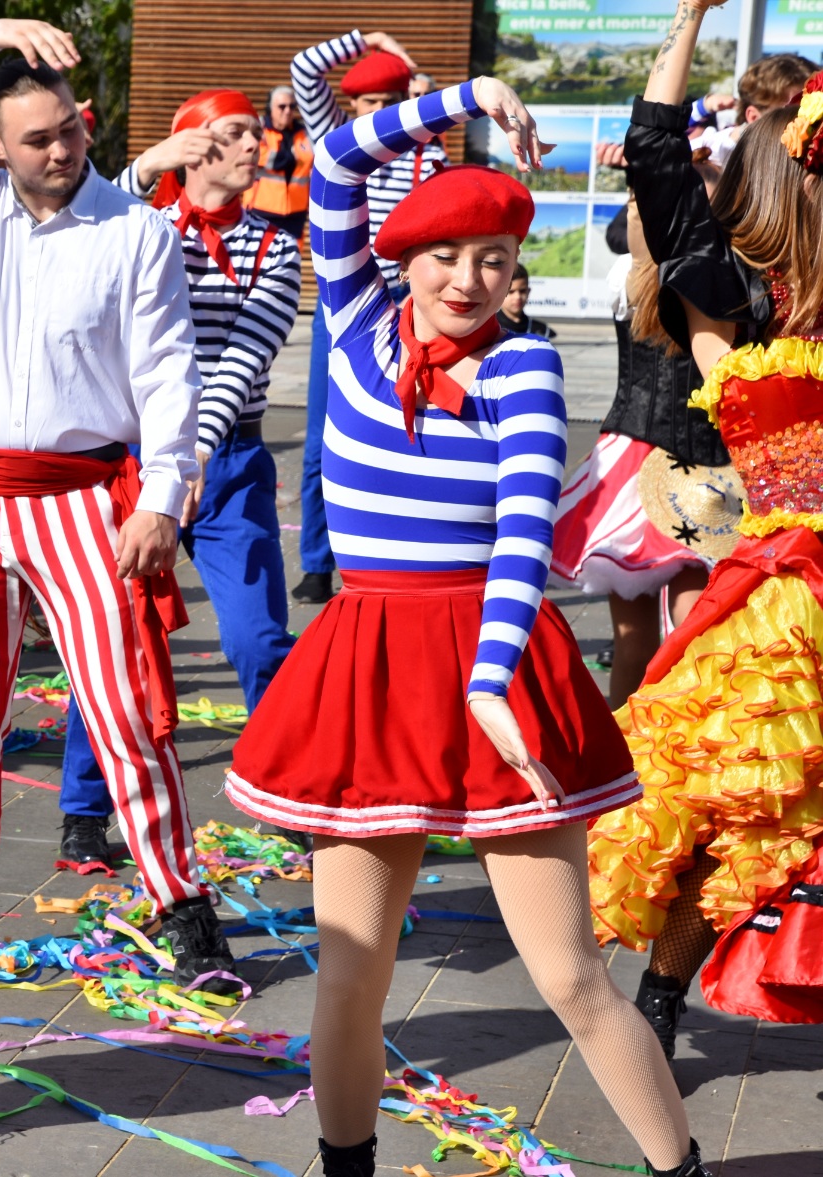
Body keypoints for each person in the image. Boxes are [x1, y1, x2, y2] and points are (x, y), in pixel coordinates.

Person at [222, 74, 714, 1177]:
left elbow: (520, 538)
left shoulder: (525, 362)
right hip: (367, 659)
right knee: (352, 970)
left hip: (492, 652)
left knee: (569, 973)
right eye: (444, 254)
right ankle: (345, 1165)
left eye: (494, 258)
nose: (467, 278)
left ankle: (677, 1169)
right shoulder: (352, 316)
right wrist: (468, 94)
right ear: (402, 256)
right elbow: (336, 158)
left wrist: (490, 681)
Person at [0, 17, 241, 991]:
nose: (60, 150)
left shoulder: (136, 230)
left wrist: (161, 496)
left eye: (71, 130)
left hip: (82, 497)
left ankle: (180, 898)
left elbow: (169, 372)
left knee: (122, 709)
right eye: (36, 138)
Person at [590, 0, 823, 1059]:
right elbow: (655, 155)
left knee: (769, 808)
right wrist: (687, 21)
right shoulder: (735, 295)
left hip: (791, 589)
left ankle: (663, 995)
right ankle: (659, 995)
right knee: (742, 803)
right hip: (783, 592)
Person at [58, 87, 303, 871]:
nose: (254, 146)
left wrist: (192, 451)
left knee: (258, 637)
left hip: (226, 461)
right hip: (131, 458)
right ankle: (83, 807)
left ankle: (283, 789)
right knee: (112, 637)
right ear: (193, 144)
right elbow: (77, 226)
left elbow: (245, 357)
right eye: (234, 133)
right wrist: (145, 168)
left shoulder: (274, 248)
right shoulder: (142, 224)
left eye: (255, 133)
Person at [290, 29, 444, 606]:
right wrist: (371, 39)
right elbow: (305, 68)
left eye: (390, 102)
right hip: (344, 306)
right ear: (350, 105)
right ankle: (315, 562)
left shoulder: (428, 153)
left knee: (407, 427)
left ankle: (396, 549)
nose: (378, 112)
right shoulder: (333, 139)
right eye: (368, 102)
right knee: (321, 437)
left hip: (407, 305)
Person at [550, 198, 724, 707]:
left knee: (674, 631)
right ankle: (640, 745)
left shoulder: (651, 274)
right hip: (662, 464)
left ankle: (654, 742)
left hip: (673, 461)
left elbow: (634, 222)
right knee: (662, 635)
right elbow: (634, 222)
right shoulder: (654, 276)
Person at [246, 85, 310, 238]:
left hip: (296, 210)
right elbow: (262, 156)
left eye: (292, 106)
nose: (287, 111)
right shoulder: (258, 129)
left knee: (293, 252)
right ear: (270, 107)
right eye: (282, 106)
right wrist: (291, 158)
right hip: (262, 207)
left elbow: (312, 160)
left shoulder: (304, 133)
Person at [496, 262, 555, 337]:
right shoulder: (489, 329)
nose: (517, 297)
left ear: (528, 291)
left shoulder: (544, 332)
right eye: (511, 292)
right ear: (499, 293)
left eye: (522, 291)